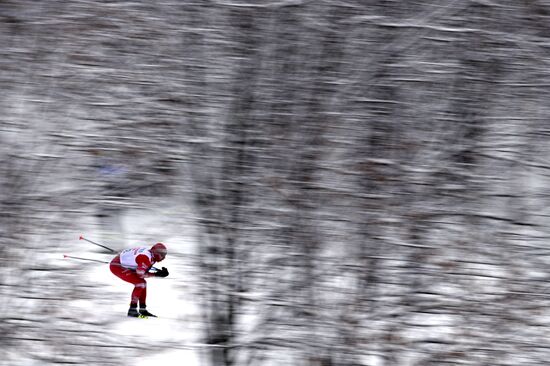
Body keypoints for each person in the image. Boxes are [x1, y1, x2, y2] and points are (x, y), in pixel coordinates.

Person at [110, 243, 169, 317]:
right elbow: (140, 274)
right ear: (156, 253)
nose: (164, 257)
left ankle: (142, 309)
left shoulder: (151, 254)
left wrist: (158, 272)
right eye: (162, 255)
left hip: (123, 260)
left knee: (143, 283)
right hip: (117, 266)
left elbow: (143, 266)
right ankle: (132, 309)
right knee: (140, 283)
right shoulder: (145, 257)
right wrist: (156, 274)